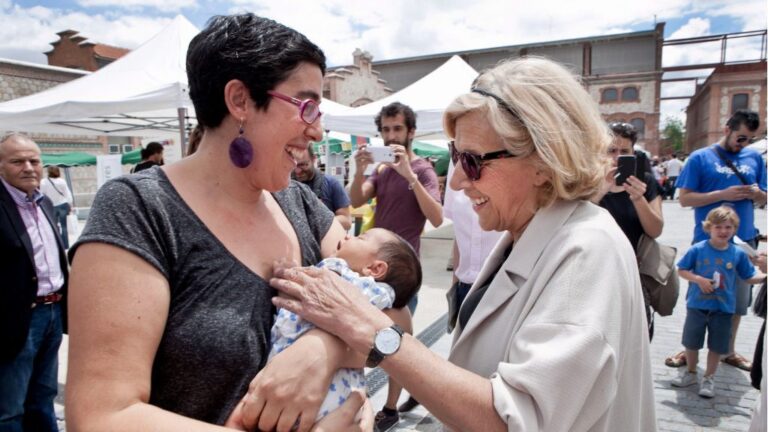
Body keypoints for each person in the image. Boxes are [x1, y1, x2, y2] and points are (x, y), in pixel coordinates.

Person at [266, 57, 657, 431]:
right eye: (455, 156)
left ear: (543, 161)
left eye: (472, 161)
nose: (456, 181)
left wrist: (373, 330)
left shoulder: (587, 252)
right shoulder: (534, 235)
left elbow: (515, 419)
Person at [65, 14, 386, 432]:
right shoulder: (141, 210)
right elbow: (99, 417)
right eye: (306, 105)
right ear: (239, 101)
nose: (318, 131)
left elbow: (386, 322)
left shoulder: (300, 204)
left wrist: (320, 347)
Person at [269, 228, 420, 422]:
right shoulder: (372, 292)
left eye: (360, 237)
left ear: (375, 269)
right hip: (334, 401)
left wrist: (292, 274)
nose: (347, 236)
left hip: (315, 395)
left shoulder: (347, 279)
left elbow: (398, 322)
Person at [666, 109, 767, 371]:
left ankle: (727, 350)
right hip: (708, 244)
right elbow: (685, 199)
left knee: (736, 300)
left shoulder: (755, 157)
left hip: (744, 242)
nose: (743, 143)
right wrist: (722, 194)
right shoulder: (700, 158)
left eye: (750, 138)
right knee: (701, 298)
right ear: (727, 129)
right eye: (741, 137)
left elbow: (765, 196)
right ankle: (690, 349)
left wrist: (758, 193)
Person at [0, 133, 68, 431]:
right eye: (17, 161)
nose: (28, 167)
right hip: (16, 319)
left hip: (52, 313)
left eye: (34, 160)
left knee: (43, 397)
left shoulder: (44, 203)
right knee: (10, 408)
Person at [671, 206, 765, 398]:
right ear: (709, 228)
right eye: (718, 227)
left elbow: (748, 276)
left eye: (728, 227)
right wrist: (699, 280)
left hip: (723, 308)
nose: (723, 231)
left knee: (717, 345)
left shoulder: (737, 253)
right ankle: (690, 372)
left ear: (735, 229)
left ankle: (709, 377)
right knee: (691, 342)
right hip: (697, 305)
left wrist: (764, 277)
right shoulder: (698, 249)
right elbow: (681, 270)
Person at [595, 121, 663, 338]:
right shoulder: (591, 183)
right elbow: (573, 220)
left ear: (633, 153)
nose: (616, 157)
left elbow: (655, 229)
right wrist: (600, 190)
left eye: (624, 152)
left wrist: (638, 198)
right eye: (611, 150)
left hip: (633, 273)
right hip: (596, 271)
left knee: (634, 335)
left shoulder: (646, 182)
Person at [292, 146, 352, 230]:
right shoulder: (286, 185)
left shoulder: (331, 183)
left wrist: (319, 220)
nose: (297, 171)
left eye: (302, 164)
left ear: (314, 159)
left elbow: (347, 221)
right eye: (294, 165)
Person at [39, 165, 74, 249]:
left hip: (51, 206)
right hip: (63, 204)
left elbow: (42, 194)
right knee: (64, 226)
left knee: (54, 226)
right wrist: (70, 204)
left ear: (48, 172)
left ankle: (57, 244)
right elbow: (67, 193)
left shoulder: (43, 182)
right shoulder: (61, 181)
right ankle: (65, 245)